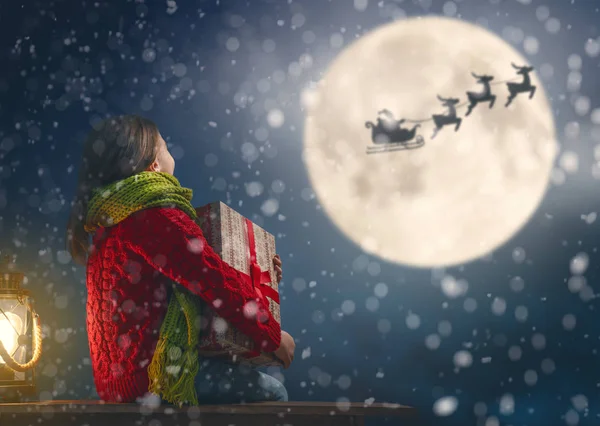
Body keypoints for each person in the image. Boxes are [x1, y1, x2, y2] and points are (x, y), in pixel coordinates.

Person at [66, 115, 295, 405]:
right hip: (154, 379)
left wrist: (261, 278)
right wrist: (273, 337)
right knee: (275, 393)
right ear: (154, 165)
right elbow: (215, 281)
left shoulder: (108, 225)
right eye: (165, 146)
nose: (171, 152)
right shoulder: (153, 215)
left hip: (117, 383)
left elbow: (197, 278)